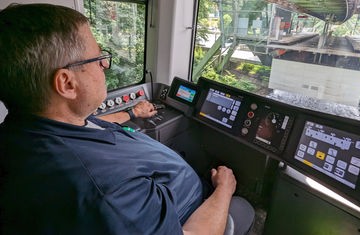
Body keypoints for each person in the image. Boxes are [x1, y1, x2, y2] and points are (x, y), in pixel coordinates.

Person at [0, 3, 254, 235]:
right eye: (99, 59)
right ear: (67, 83)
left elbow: (90, 127)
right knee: (244, 210)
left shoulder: (26, 130)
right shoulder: (109, 193)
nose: (105, 66)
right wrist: (224, 189)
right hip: (192, 216)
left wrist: (132, 113)